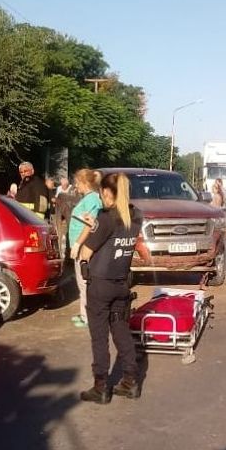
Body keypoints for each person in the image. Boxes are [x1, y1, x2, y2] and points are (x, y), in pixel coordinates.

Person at [78, 172, 151, 404]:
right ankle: (130, 382)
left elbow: (86, 253)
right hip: (121, 283)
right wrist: (97, 226)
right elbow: (117, 235)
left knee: (99, 338)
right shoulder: (135, 216)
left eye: (102, 193)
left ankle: (101, 387)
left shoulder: (106, 218)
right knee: (121, 332)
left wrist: (93, 227)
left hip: (100, 284)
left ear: (107, 192)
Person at [67, 169, 103, 328]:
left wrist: (78, 244)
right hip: (82, 245)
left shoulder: (92, 199)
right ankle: (85, 314)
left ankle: (88, 316)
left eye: (77, 182)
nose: (75, 185)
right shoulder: (89, 198)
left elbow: (89, 224)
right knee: (83, 282)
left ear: (85, 183)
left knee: (84, 282)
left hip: (84, 247)